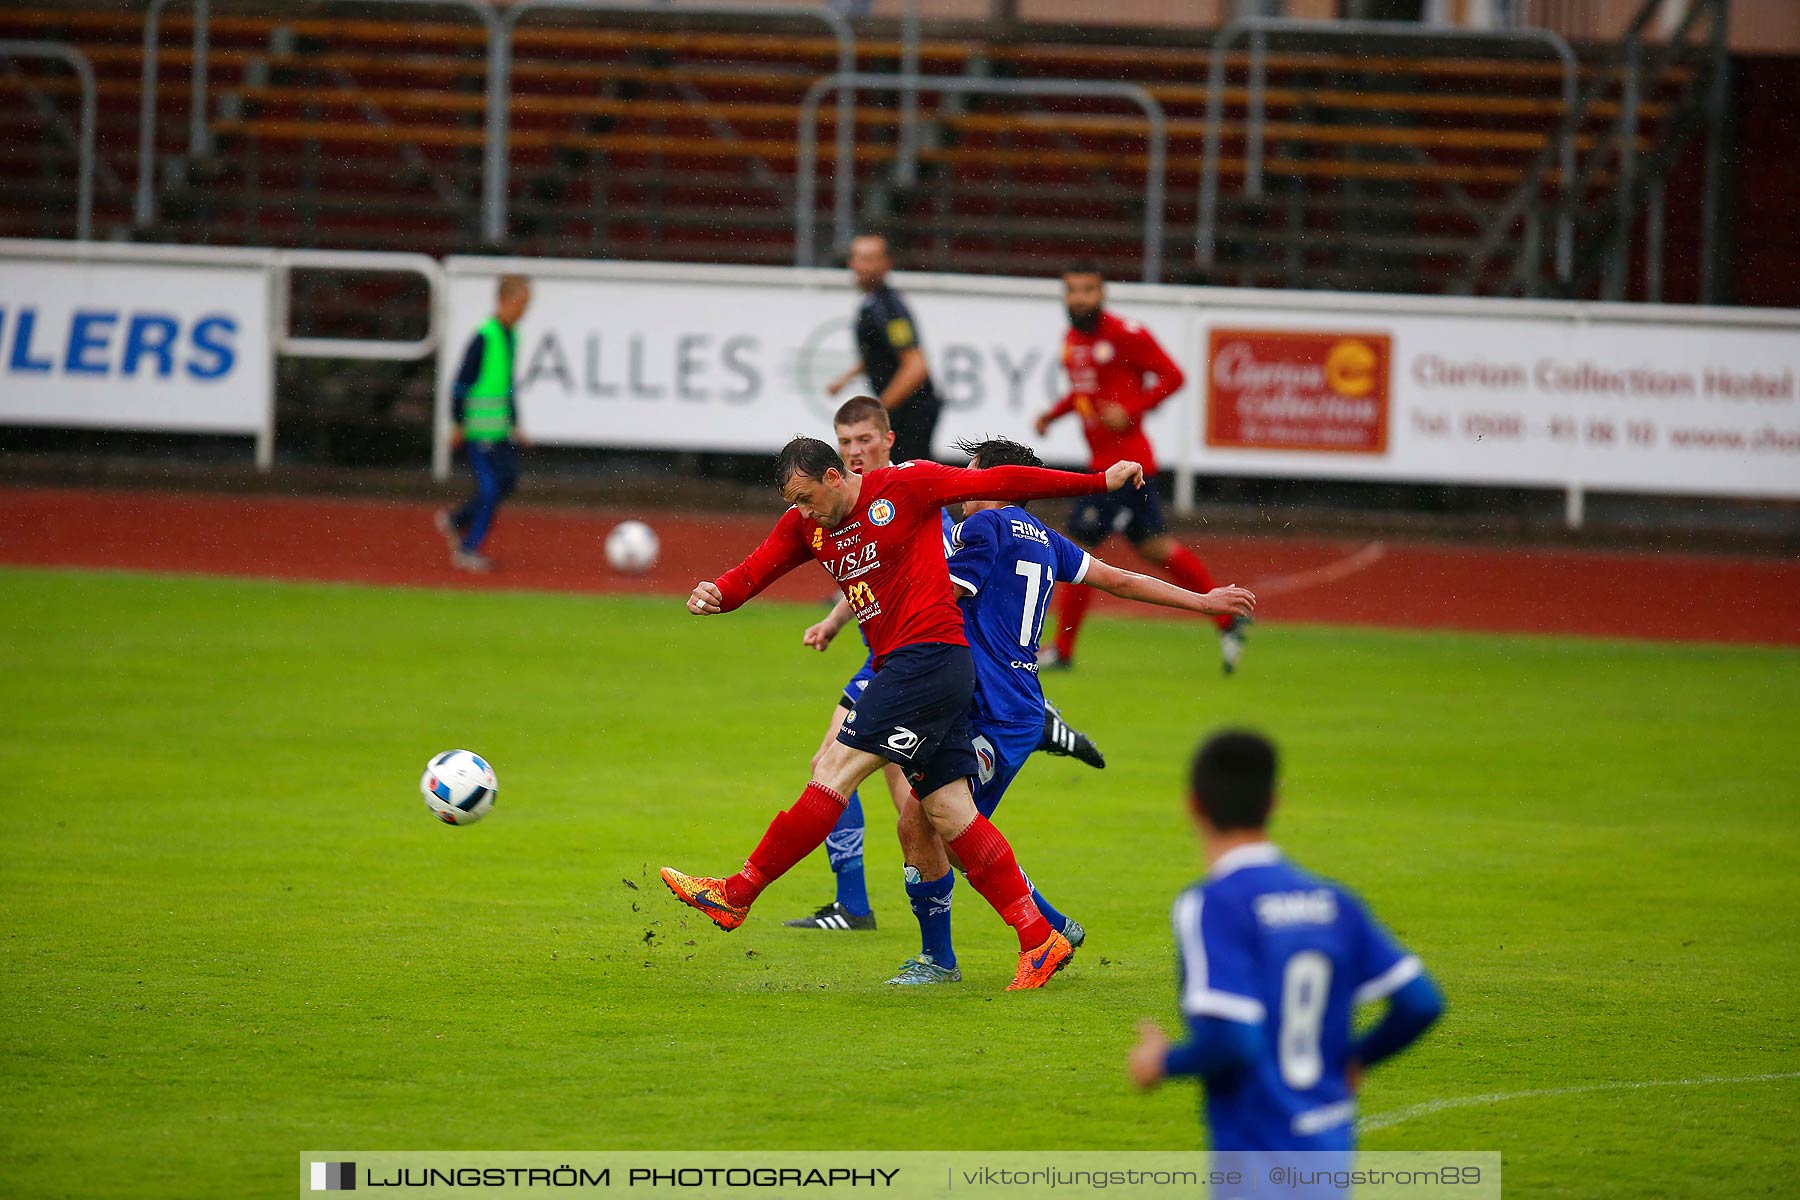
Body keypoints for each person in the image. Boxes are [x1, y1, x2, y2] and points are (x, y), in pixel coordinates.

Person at [663, 431, 1147, 989]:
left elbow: (1000, 480)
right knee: (947, 811)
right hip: (919, 669)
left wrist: (1096, 481)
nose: (803, 511)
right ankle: (1038, 937)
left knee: (833, 771)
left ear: (835, 475)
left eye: (807, 497)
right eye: (793, 503)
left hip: (927, 661)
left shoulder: (907, 486)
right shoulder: (807, 527)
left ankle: (737, 893)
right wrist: (718, 595)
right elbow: (754, 572)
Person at [882, 437, 1255, 986]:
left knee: (932, 819)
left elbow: (949, 591)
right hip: (1002, 705)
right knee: (932, 822)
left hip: (998, 712)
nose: (962, 486)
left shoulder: (985, 528)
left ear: (996, 484)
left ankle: (980, 951)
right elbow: (1120, 580)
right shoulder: (1044, 538)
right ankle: (1040, 928)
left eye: (971, 475)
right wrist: (1201, 602)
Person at [784, 398, 1108, 936]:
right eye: (845, 443)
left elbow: (923, 569)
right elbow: (869, 566)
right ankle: (1030, 925)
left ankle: (878, 917)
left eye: (865, 440)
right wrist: (837, 621)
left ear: (888, 440)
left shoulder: (923, 490)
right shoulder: (855, 498)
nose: (855, 451)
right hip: (890, 656)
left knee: (916, 808)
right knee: (921, 810)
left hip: (925, 655)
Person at [1128, 730, 1444, 1187]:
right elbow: (1420, 1002)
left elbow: (1235, 1039)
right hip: (1330, 1154)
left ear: (1193, 805)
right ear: (1273, 803)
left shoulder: (1212, 905)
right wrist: (1355, 1059)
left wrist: (1163, 1063)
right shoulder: (1334, 901)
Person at [1035, 262, 1249, 674]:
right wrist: (1053, 415)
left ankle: (1061, 650)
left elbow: (1174, 376)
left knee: (1078, 550)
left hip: (1123, 468)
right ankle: (1227, 618)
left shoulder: (1125, 334)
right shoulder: (1073, 340)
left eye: (1087, 290)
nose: (1079, 298)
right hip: (1110, 466)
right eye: (1072, 290)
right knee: (1155, 548)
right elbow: (1085, 394)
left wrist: (1132, 410)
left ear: (1102, 293)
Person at [436, 275, 531, 573]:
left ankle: (456, 520)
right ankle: (468, 548)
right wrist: (458, 424)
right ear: (504, 301)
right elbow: (461, 384)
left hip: (499, 430)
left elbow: (506, 385)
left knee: (508, 480)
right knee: (490, 488)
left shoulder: (511, 337)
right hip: (478, 431)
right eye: (520, 304)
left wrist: (514, 422)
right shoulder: (484, 336)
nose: (523, 311)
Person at [824, 234, 941, 464]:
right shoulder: (872, 303)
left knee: (907, 478)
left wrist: (879, 411)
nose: (858, 265)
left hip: (911, 410)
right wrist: (848, 377)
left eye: (868, 259)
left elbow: (916, 365)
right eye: (856, 258)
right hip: (905, 409)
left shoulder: (887, 308)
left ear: (886, 264)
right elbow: (881, 352)